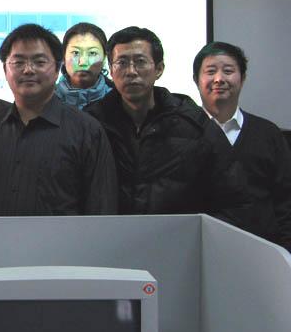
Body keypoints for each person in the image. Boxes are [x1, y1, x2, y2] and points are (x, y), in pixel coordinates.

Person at [86, 27, 244, 216]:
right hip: (111, 231)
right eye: (122, 63)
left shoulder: (193, 122)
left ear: (159, 69)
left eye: (140, 62)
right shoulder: (92, 122)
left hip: (179, 232)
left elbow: (230, 191)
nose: (131, 71)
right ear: (111, 70)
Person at [0, 24, 118, 216]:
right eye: (18, 62)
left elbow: (102, 207)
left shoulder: (87, 131)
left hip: (65, 237)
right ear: (5, 70)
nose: (28, 70)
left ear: (57, 69)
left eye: (39, 62)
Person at [193, 41, 291, 249]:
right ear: (196, 80)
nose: (219, 79)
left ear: (242, 78)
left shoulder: (268, 133)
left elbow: (285, 199)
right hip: (203, 250)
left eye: (228, 71)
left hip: (264, 251)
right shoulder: (184, 133)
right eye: (210, 71)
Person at [54, 22, 113, 110]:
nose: (83, 62)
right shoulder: (47, 99)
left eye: (92, 53)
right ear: (64, 57)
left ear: (104, 58)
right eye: (75, 53)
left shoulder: (118, 100)